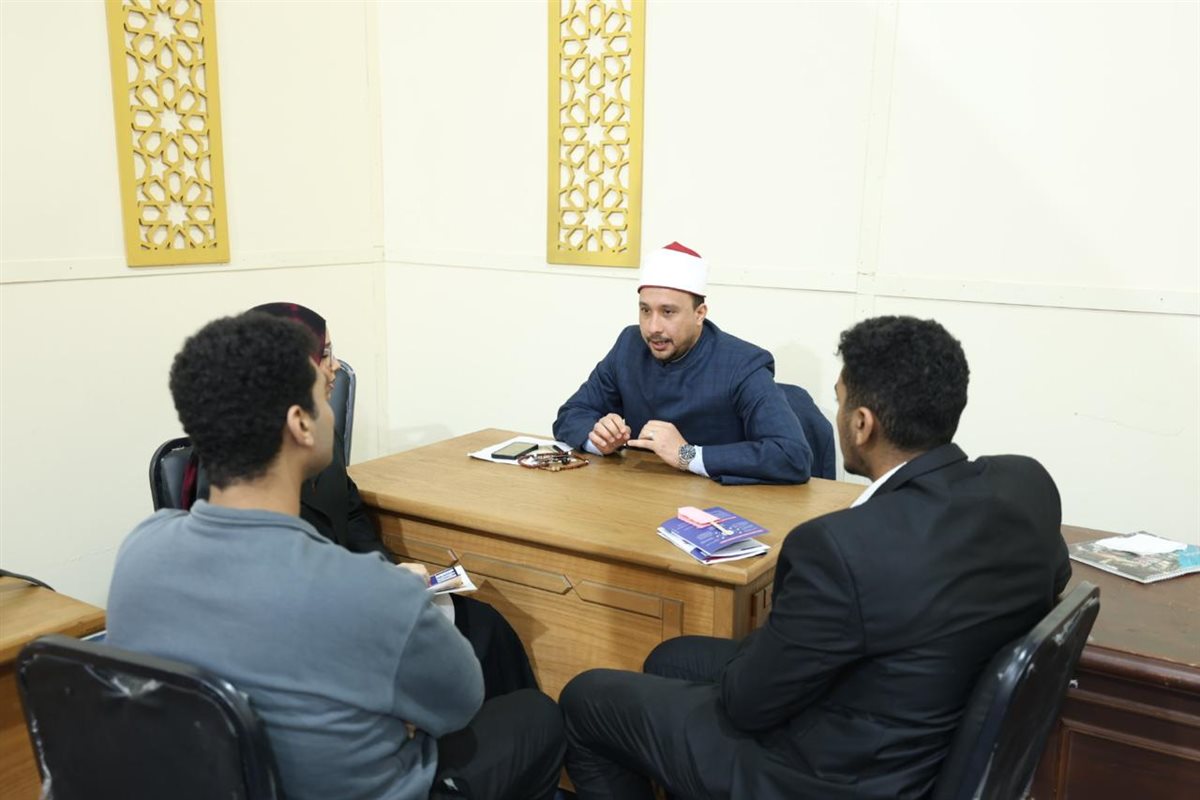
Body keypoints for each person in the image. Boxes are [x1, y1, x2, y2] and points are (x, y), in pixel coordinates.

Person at [559, 315, 1071, 800]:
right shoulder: (1026, 485)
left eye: (840, 402)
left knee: (587, 699)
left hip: (822, 776)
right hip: (921, 731)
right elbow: (1055, 573)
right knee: (672, 659)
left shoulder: (838, 547)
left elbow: (747, 704)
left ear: (862, 424)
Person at [108, 312, 564, 800]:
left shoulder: (140, 552)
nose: (332, 407)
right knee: (535, 717)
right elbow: (459, 703)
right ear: (300, 423)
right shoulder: (373, 591)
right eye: (322, 396)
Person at [247, 302, 538, 700]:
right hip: (326, 632)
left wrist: (387, 572)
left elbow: (352, 517)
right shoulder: (245, 471)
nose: (336, 367)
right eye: (325, 354)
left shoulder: (323, 433)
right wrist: (377, 590)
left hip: (361, 597)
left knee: (486, 623)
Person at [552, 242, 813, 485]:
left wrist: (686, 454)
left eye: (668, 312)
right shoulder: (629, 346)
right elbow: (571, 414)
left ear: (700, 314)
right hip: (640, 491)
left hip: (717, 505)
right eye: (645, 310)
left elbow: (792, 455)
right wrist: (599, 439)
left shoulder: (742, 363)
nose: (653, 327)